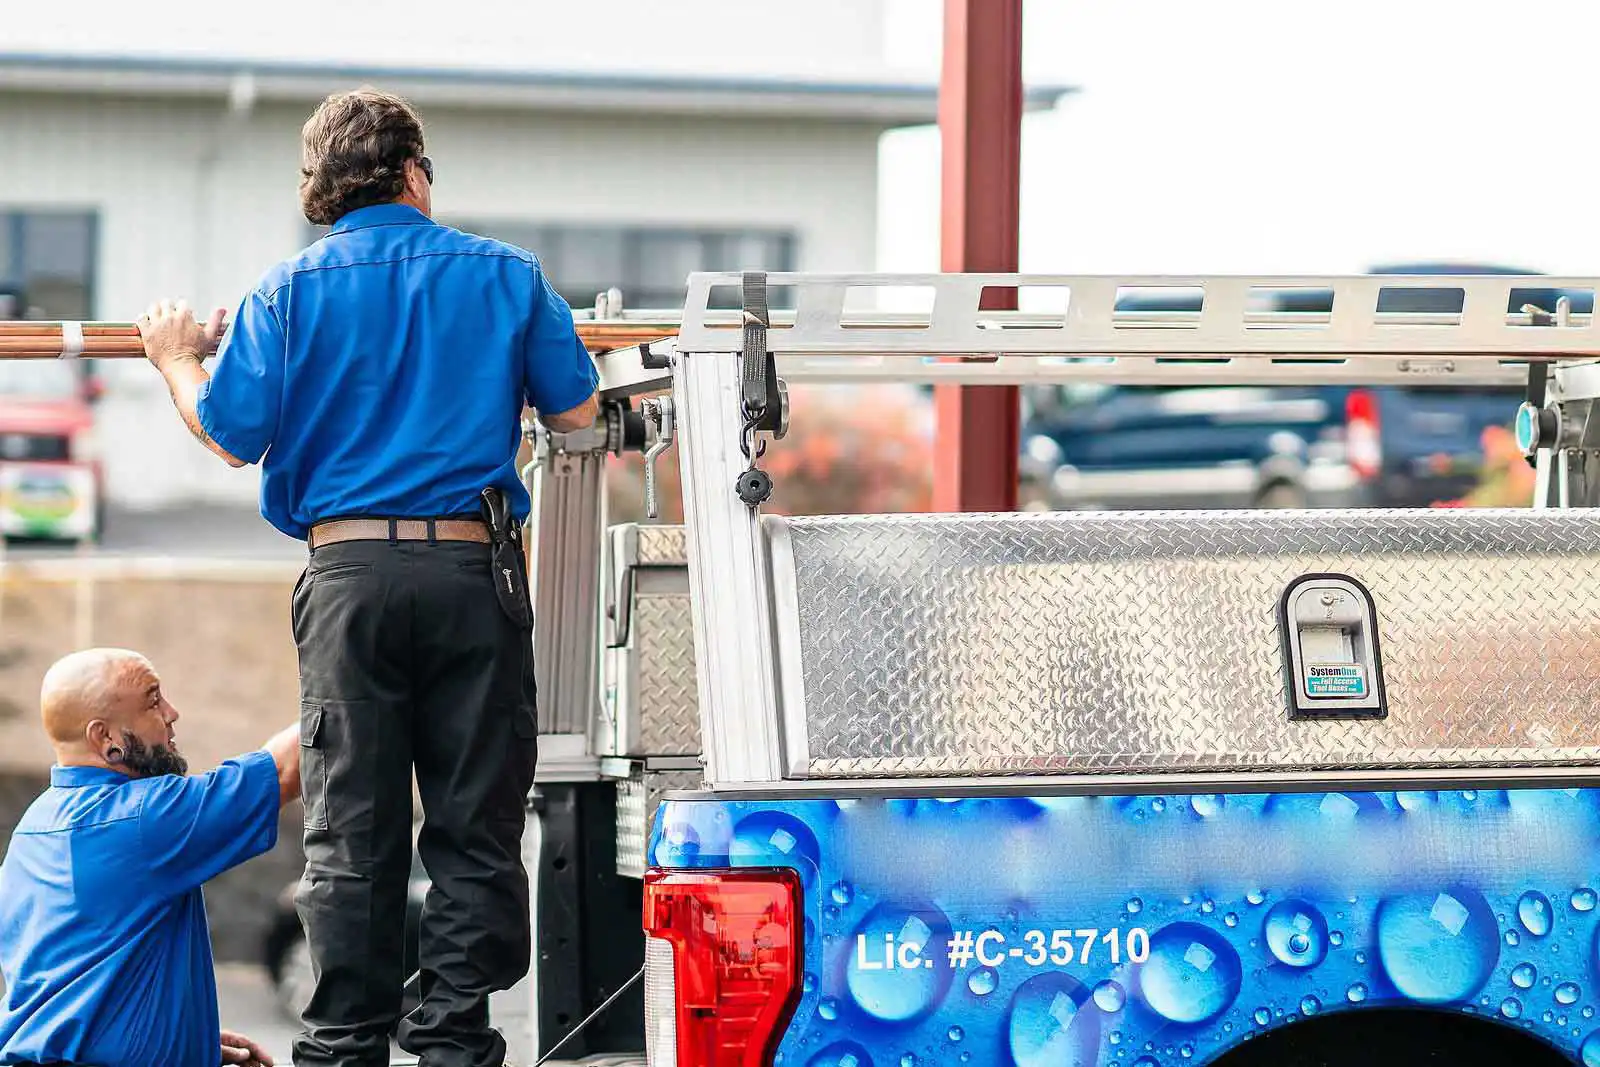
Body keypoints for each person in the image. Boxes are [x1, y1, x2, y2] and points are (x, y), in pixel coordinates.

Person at [135, 86, 600, 1067]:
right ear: (415, 173)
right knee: (474, 818)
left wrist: (177, 358)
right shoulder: (505, 275)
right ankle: (452, 1035)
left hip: (348, 572)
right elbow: (576, 413)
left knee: (353, 823)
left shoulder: (285, 292)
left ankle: (343, 1042)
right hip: (471, 569)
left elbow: (227, 434)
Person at [0, 647, 300, 1067]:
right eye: (153, 701)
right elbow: (286, 768)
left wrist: (179, 1037)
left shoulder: (33, 828)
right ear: (105, 738)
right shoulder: (141, 819)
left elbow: (70, 973)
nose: (172, 713)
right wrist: (356, 683)